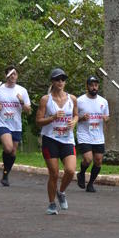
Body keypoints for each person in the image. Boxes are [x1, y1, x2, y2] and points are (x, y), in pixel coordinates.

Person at [36, 68, 78, 215]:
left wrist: (74, 122)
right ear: (52, 82)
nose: (60, 82)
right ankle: (52, 204)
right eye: (57, 79)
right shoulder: (45, 100)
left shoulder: (72, 99)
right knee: (54, 173)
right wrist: (52, 118)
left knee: (70, 170)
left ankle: (61, 192)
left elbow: (76, 115)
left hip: (67, 140)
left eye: (63, 79)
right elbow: (38, 121)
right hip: (50, 139)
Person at [0, 66, 31, 186]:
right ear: (6, 76)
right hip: (2, 122)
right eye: (10, 74)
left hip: (16, 124)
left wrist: (21, 101)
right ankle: (5, 173)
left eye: (15, 74)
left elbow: (28, 110)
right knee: (8, 148)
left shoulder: (22, 90)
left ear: (17, 76)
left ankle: (5, 174)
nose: (13, 76)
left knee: (12, 152)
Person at [76, 76, 110, 193]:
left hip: (98, 135)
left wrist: (106, 119)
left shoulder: (103, 101)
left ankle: (90, 183)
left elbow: (107, 117)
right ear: (87, 86)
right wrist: (81, 118)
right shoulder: (79, 101)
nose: (94, 87)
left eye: (96, 85)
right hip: (84, 134)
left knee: (98, 160)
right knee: (88, 158)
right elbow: (72, 118)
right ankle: (81, 173)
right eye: (91, 85)